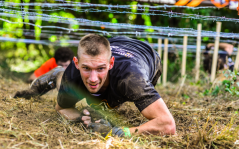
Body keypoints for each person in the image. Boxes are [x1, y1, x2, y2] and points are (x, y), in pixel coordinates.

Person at [15, 34, 176, 137]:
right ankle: (59, 75)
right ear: (76, 63)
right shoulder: (72, 73)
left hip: (146, 56)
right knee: (94, 99)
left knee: (125, 96)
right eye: (86, 68)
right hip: (114, 42)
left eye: (100, 68)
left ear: (110, 63)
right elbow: (61, 108)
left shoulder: (132, 78)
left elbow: (167, 124)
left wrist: (118, 132)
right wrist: (83, 118)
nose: (93, 78)